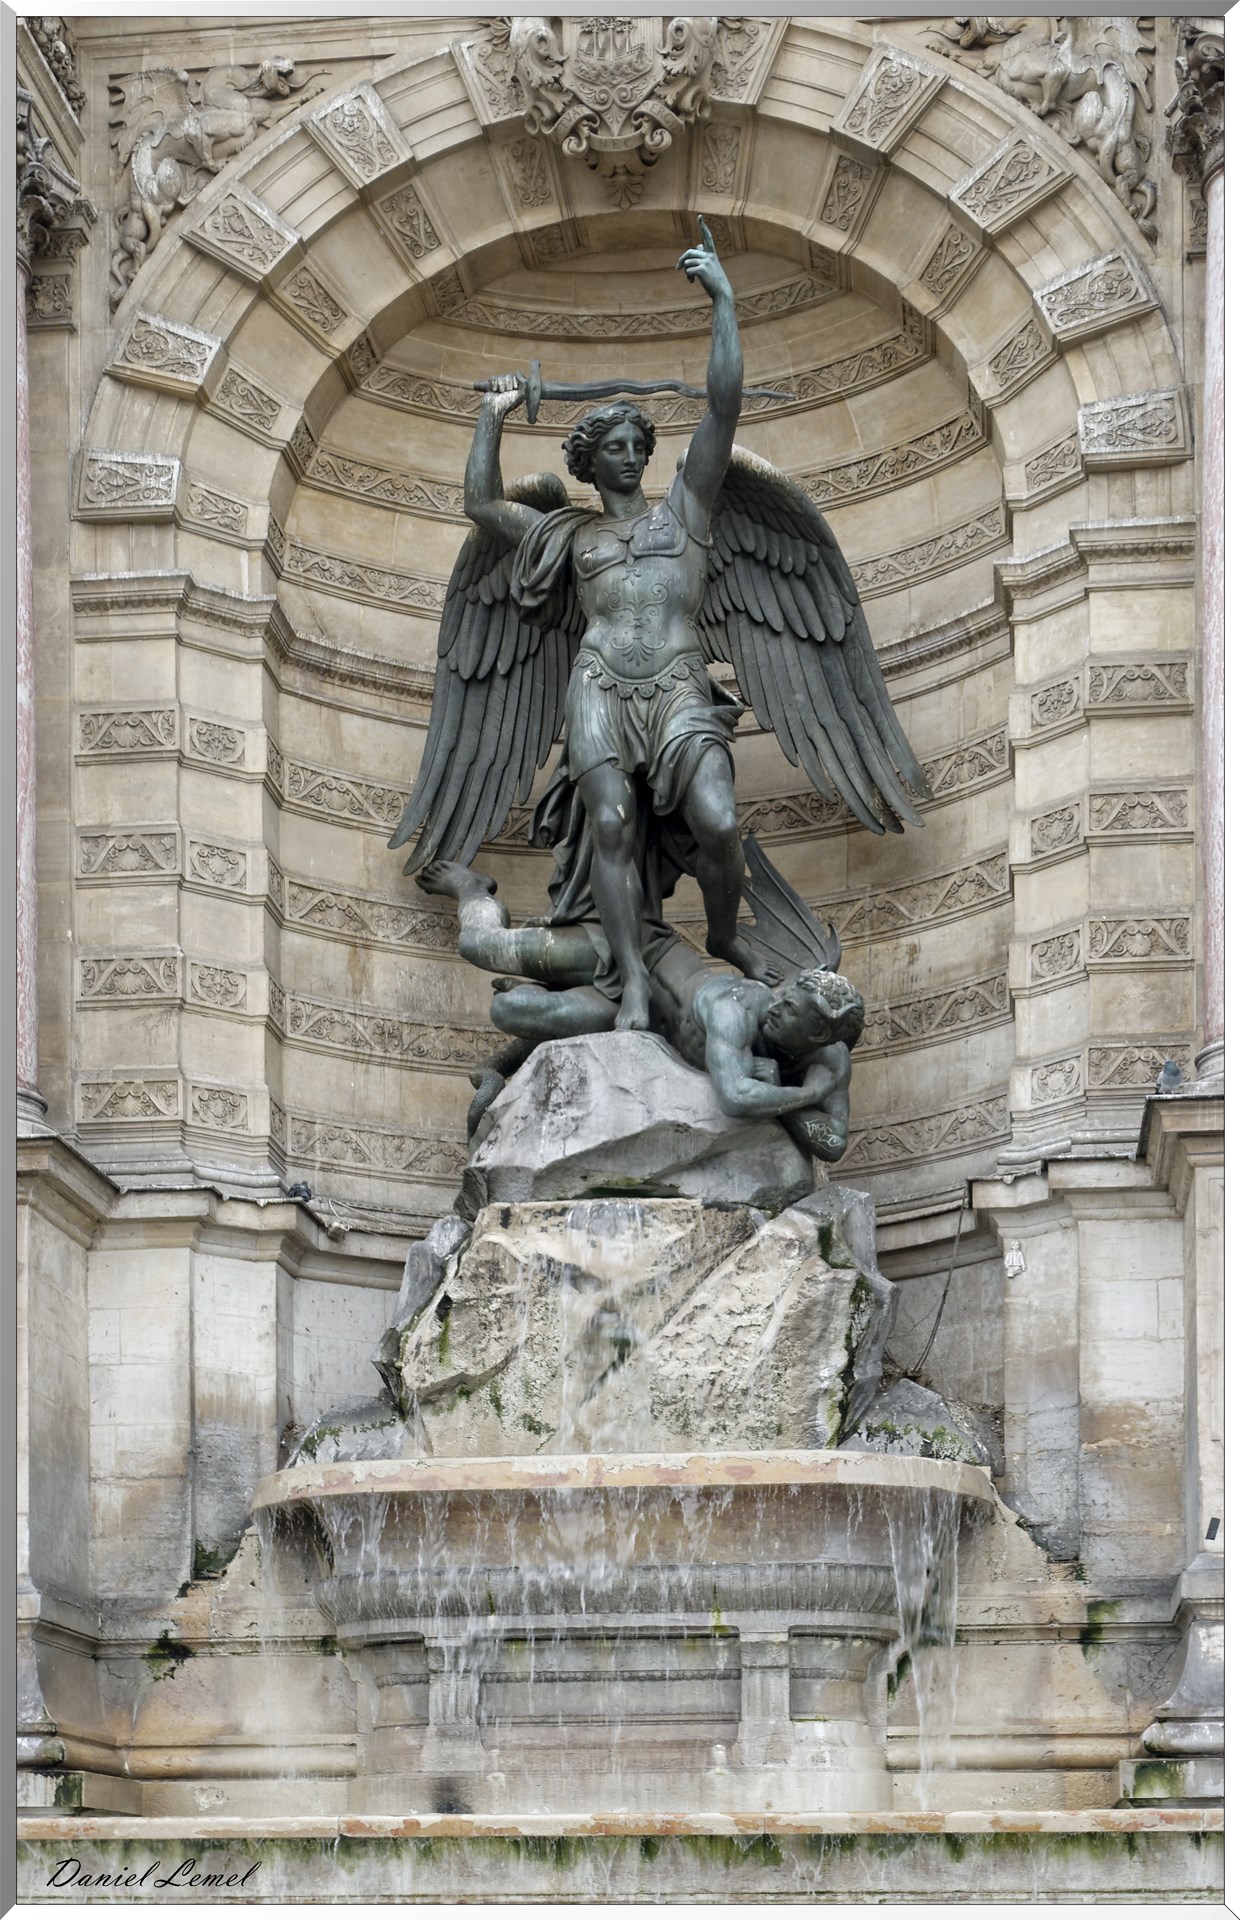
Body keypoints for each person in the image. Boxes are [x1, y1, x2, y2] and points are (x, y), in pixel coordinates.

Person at [461, 218, 756, 1033]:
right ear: (590, 461)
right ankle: (629, 981)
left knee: (719, 820)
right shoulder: (571, 535)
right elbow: (483, 506)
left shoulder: (686, 512)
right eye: (614, 446)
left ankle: (725, 928)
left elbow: (724, 405)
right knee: (614, 826)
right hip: (597, 685)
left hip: (674, 684)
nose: (630, 455)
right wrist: (494, 415)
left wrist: (724, 301)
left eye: (638, 443)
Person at [419, 859, 863, 1164]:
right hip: (632, 954)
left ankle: (523, 1031)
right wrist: (803, 1095)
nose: (778, 1001)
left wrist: (780, 1097)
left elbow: (835, 1143)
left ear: (821, 1034)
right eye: (786, 993)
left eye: (791, 1009)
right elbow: (737, 1097)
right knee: (480, 947)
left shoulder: (830, 1059)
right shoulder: (737, 1007)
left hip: (630, 1020)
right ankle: (473, 890)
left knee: (511, 1008)